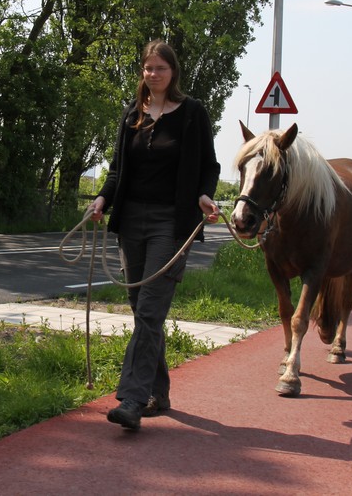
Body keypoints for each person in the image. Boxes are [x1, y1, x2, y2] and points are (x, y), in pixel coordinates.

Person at [89, 39, 220, 430]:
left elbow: (209, 167)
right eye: (148, 67)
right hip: (131, 221)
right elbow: (117, 170)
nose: (153, 74)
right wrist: (102, 199)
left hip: (171, 224)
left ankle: (132, 399)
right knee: (141, 310)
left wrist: (204, 195)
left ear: (173, 71)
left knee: (149, 310)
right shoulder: (132, 114)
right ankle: (158, 393)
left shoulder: (193, 113)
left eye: (160, 68)